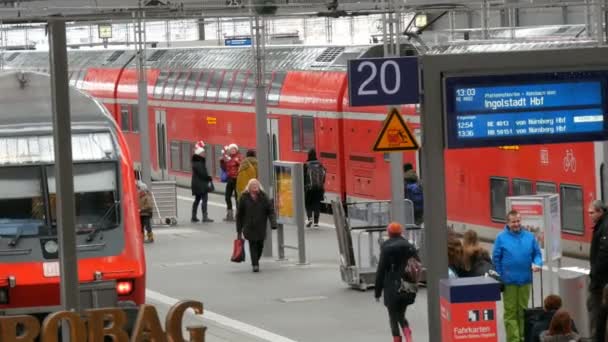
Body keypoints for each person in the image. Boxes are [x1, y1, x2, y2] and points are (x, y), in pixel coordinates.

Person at [493, 209, 543, 342]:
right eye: (513, 222)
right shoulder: (501, 238)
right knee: (510, 313)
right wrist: (501, 277)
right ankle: (514, 339)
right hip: (509, 282)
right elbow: (496, 258)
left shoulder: (529, 237)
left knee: (523, 312)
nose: (516, 224)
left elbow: (537, 254)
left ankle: (523, 337)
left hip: (525, 280)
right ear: (508, 223)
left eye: (518, 221)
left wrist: (537, 263)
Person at [375, 222, 418, 342]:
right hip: (408, 285)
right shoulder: (410, 246)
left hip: (392, 286)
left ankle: (397, 338)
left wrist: (377, 292)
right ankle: (407, 332)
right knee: (400, 313)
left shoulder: (386, 247)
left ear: (388, 233)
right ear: (400, 232)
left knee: (393, 315)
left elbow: (381, 270)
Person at [236, 179, 277, 272]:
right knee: (252, 244)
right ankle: (255, 264)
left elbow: (270, 211)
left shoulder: (264, 197)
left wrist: (273, 223)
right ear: (249, 187)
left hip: (261, 226)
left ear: (259, 186)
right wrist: (239, 229)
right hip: (249, 226)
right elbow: (239, 214)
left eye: (256, 185)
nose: (255, 186)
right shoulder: (244, 197)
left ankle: (256, 260)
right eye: (253, 185)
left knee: (260, 245)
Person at [587, 199, 608, 342]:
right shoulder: (602, 224)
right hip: (602, 280)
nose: (590, 215)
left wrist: (594, 276)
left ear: (600, 212)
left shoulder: (604, 227)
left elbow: (603, 254)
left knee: (598, 313)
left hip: (601, 282)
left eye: (591, 212)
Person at [191, 141, 214, 223]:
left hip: (197, 184)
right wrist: (209, 178)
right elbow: (202, 174)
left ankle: (194, 216)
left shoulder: (196, 162)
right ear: (199, 154)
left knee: (197, 200)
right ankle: (205, 216)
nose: (204, 154)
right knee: (204, 200)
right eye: (203, 152)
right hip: (201, 184)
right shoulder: (199, 163)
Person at [303, 148, 325, 228]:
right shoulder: (320, 164)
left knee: (308, 204)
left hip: (308, 189)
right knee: (316, 204)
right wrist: (321, 184)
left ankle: (309, 218)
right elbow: (324, 176)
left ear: (308, 155)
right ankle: (316, 222)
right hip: (319, 188)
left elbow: (303, 177)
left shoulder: (306, 165)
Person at [220, 143, 241, 222]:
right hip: (230, 179)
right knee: (227, 197)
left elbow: (241, 165)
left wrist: (237, 161)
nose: (232, 150)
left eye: (234, 149)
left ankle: (238, 215)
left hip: (236, 179)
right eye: (231, 149)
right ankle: (229, 213)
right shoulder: (228, 158)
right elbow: (224, 168)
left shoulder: (239, 157)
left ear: (236, 150)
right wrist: (222, 162)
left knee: (237, 197)